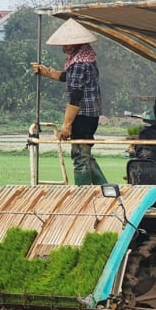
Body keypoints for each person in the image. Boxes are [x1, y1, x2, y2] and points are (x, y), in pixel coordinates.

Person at [31, 19, 108, 186]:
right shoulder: (87, 58)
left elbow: (75, 95)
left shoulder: (79, 63)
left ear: (77, 44)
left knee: (80, 156)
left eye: (67, 45)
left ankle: (83, 196)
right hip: (90, 115)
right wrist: (47, 72)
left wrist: (66, 124)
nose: (64, 48)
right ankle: (106, 189)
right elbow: (68, 77)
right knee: (85, 155)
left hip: (82, 116)